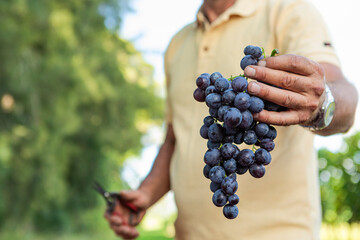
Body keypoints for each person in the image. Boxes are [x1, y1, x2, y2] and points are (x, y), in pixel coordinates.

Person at [105, 0, 358, 239]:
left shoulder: (287, 10)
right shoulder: (177, 44)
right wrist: (145, 193)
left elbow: (342, 98)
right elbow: (175, 139)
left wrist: (323, 101)